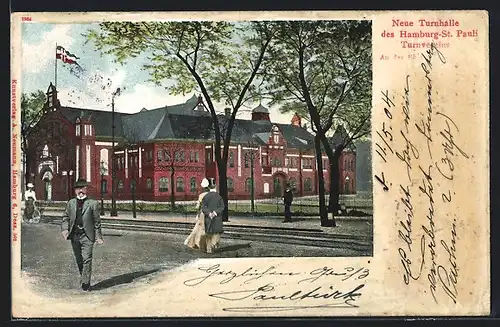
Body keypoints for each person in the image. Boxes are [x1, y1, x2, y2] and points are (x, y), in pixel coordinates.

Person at [61, 178, 104, 292]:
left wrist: (98, 237)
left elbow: (97, 222)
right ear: (75, 190)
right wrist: (65, 230)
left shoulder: (93, 204)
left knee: (87, 259)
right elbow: (65, 218)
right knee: (79, 259)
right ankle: (84, 277)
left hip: (87, 236)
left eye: (83, 188)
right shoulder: (71, 203)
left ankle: (86, 283)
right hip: (74, 235)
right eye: (78, 188)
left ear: (86, 189)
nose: (80, 191)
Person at [184, 178, 210, 251]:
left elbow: (198, 206)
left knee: (199, 229)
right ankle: (207, 245)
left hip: (203, 214)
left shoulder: (201, 195)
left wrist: (198, 212)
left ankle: (197, 244)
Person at [201, 179, 225, 254]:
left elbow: (204, 208)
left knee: (208, 233)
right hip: (217, 218)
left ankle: (209, 249)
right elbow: (222, 207)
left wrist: (209, 213)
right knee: (216, 233)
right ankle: (214, 246)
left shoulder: (206, 197)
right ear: (215, 187)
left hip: (208, 218)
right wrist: (215, 213)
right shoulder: (219, 196)